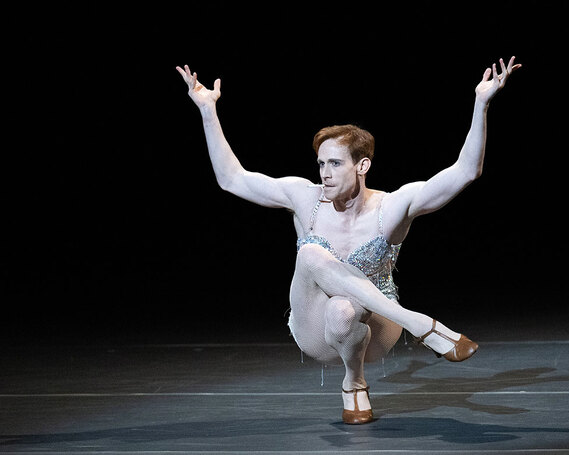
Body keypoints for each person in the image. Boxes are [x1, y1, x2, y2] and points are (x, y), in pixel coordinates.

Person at [176, 56, 521, 424]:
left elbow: (466, 172)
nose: (324, 173)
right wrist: (207, 110)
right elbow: (232, 179)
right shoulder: (303, 197)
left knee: (344, 309)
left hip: (374, 330)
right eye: (321, 164)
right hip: (313, 327)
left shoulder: (391, 207)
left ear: (362, 166)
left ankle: (354, 381)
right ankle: (424, 325)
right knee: (310, 252)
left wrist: (481, 103)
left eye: (335, 164)